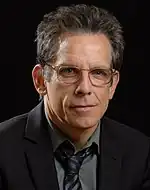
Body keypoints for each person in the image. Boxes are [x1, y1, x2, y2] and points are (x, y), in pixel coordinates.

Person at [0, 4, 149, 190]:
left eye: (98, 73)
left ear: (113, 84)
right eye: (69, 71)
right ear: (40, 80)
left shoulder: (140, 154)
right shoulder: (3, 150)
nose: (84, 88)